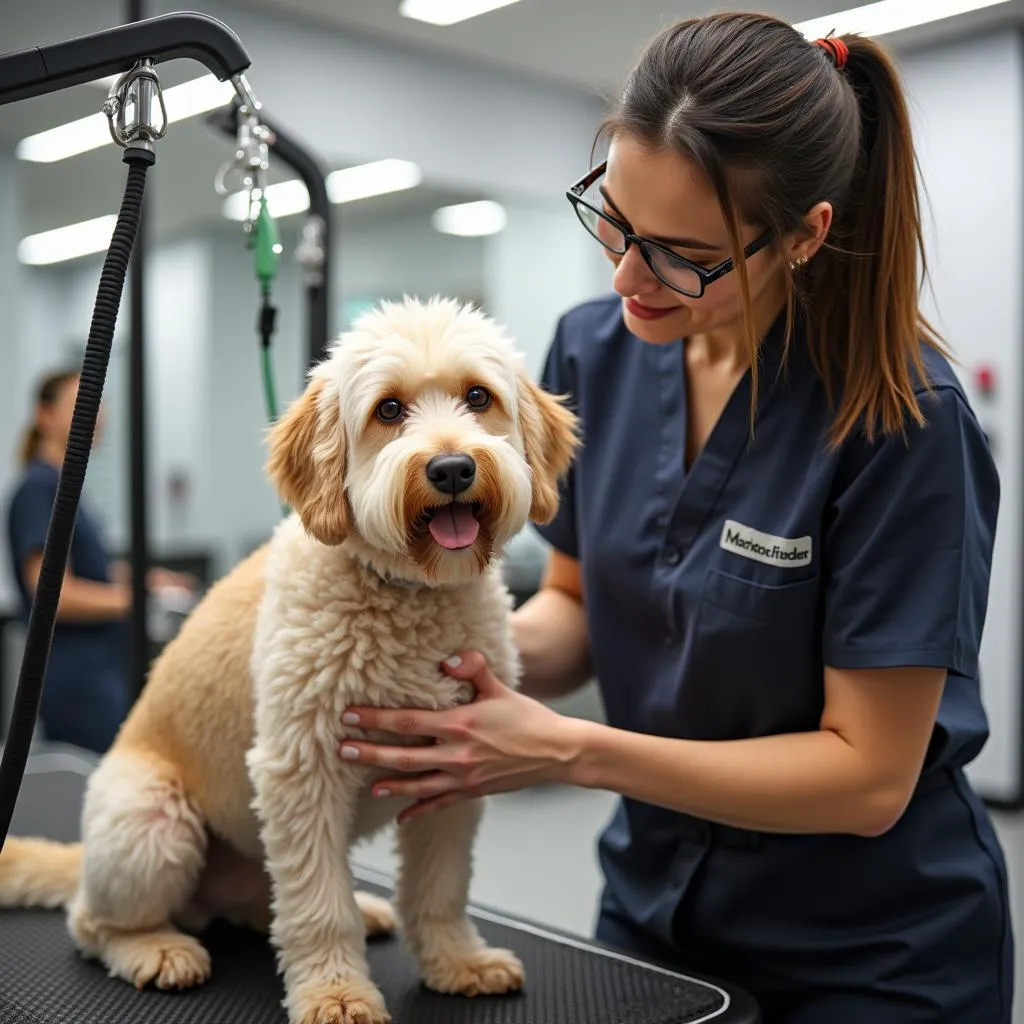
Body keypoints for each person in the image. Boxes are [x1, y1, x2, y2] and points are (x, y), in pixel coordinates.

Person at [329, 15, 1014, 1024]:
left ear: (802, 235)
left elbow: (866, 773)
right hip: (653, 910)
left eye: (682, 256)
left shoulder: (901, 420)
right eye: (611, 220)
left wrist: (566, 748)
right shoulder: (592, 351)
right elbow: (577, 604)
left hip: (871, 952)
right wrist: (442, 670)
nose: (625, 278)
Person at [5, 367, 193, 753]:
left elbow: (93, 570)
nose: (96, 414)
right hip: (77, 679)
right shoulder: (38, 491)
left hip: (100, 671)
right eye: (81, 403)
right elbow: (52, 594)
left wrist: (148, 580)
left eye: (98, 404)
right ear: (45, 416)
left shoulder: (67, 491)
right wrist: (136, 601)